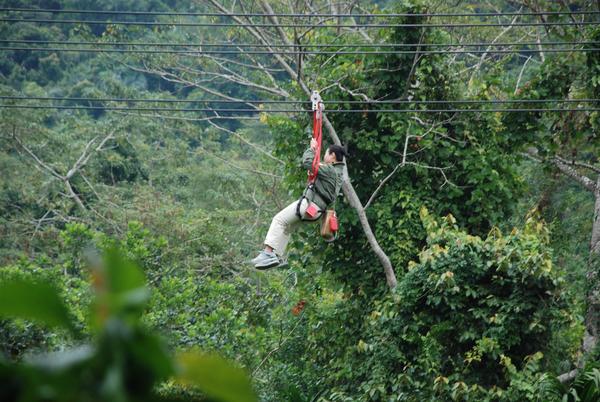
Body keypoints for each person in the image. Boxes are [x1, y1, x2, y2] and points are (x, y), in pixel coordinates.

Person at [252, 138, 347, 269]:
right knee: (287, 227)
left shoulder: (330, 170)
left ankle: (268, 253)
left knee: (278, 220)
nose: (324, 156)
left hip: (309, 206)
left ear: (333, 156)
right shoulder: (338, 173)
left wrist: (312, 149)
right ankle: (277, 256)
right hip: (317, 212)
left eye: (326, 153)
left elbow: (307, 162)